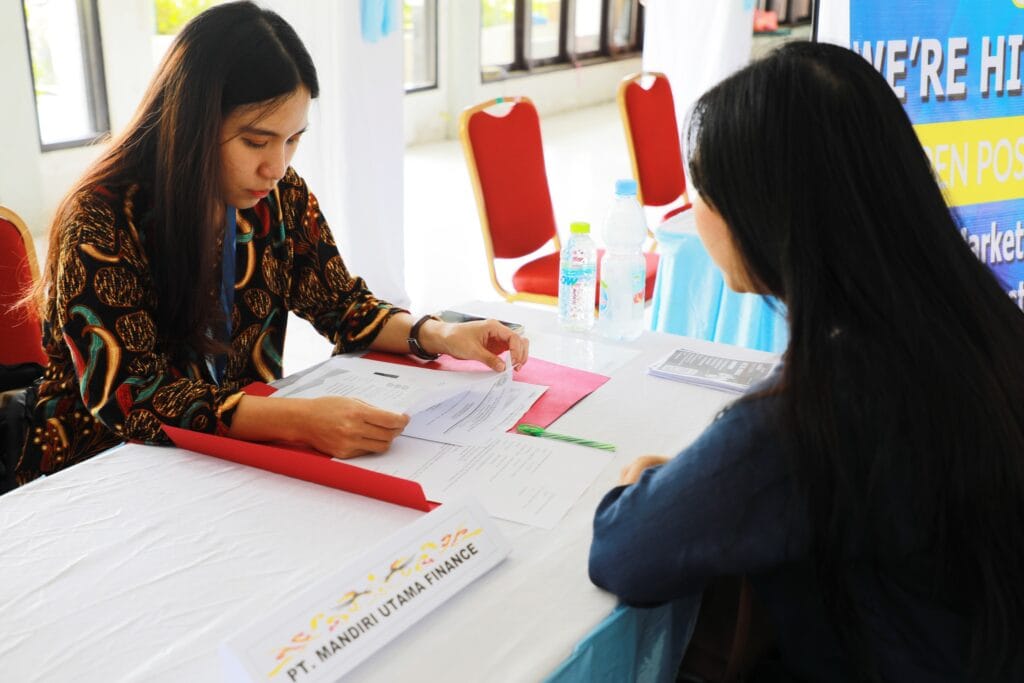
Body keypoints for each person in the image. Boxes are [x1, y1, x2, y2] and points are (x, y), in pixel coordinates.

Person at [589, 41, 1024, 681]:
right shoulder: (977, 321)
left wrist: (651, 488)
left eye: (703, 188)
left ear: (768, 213)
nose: (695, 210)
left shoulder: (810, 412)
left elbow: (624, 550)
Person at [10, 1, 528, 489]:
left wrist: (438, 334)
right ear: (190, 126)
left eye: (293, 139)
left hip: (230, 458)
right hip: (102, 470)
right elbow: (132, 399)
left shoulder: (277, 197)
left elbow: (342, 306)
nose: (276, 167)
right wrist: (298, 420)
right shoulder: (101, 220)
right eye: (256, 141)